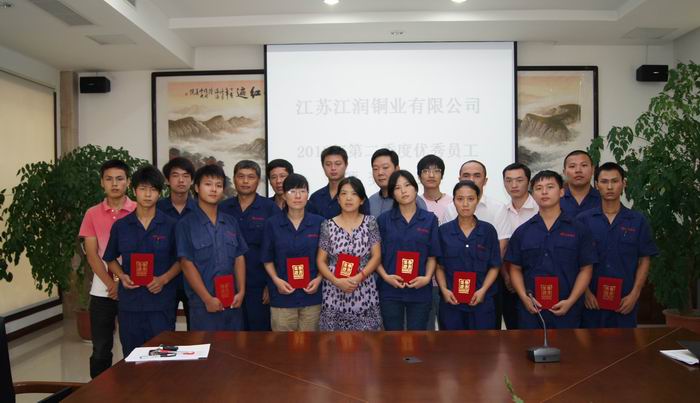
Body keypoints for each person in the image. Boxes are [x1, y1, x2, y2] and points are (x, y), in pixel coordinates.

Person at [103, 166, 180, 357]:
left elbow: (181, 260)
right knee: (132, 356)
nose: (147, 194)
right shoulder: (121, 226)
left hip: (161, 302)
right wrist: (122, 276)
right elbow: (110, 258)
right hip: (131, 304)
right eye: (143, 189)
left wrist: (163, 279)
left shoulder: (171, 225)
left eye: (153, 189)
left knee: (162, 356)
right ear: (134, 190)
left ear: (160, 193)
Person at [505, 170, 597, 329]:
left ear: (561, 192)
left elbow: (586, 269)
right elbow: (515, 268)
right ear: (533, 194)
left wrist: (571, 301)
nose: (544, 192)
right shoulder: (523, 231)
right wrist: (524, 297)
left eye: (550, 187)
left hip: (568, 310)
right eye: (538, 188)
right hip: (531, 311)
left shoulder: (579, 229)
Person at [578, 162, 658, 328]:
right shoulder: (583, 220)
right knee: (589, 343)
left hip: (624, 301)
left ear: (623, 184)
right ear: (596, 185)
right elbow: (574, 259)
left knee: (624, 343)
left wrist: (635, 294)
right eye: (604, 181)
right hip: (591, 302)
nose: (609, 187)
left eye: (614, 181)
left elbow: (644, 259)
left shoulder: (637, 220)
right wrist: (584, 292)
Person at [78, 159, 136, 378]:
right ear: (102, 182)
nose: (114, 184)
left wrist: (120, 283)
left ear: (128, 182)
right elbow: (92, 254)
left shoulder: (138, 210)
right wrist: (112, 284)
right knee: (101, 349)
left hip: (133, 286)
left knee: (135, 344)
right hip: (103, 289)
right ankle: (98, 391)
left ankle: (136, 388)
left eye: (120, 179)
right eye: (109, 179)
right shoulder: (92, 213)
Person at [176, 164, 247, 330]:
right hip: (202, 305)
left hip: (232, 302)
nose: (214, 189)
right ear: (196, 188)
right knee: (206, 346)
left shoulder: (230, 222)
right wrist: (207, 298)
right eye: (208, 184)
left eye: (219, 185)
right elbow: (186, 264)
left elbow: (239, 257)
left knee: (235, 345)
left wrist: (241, 291)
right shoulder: (186, 224)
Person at [442, 160, 511, 328]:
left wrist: (483, 290)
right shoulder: (443, 231)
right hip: (452, 301)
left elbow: (494, 265)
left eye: (470, 199)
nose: (465, 204)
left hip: (482, 300)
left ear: (477, 200)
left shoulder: (488, 231)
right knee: (450, 342)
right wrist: (444, 289)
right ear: (454, 201)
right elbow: (438, 265)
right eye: (460, 199)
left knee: (483, 343)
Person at [376, 170, 441, 330]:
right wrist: (386, 277)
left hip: (419, 289)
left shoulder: (429, 219)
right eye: (397, 188)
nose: (403, 191)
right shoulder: (383, 220)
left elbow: (432, 256)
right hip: (390, 289)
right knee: (392, 337)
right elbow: (376, 256)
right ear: (392, 194)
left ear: (415, 188)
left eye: (407, 185)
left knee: (418, 336)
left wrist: (427, 278)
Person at [316, 176, 382, 331]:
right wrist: (336, 281)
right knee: (334, 341)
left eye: (354, 194)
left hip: (364, 286)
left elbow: (376, 256)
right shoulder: (327, 225)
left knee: (366, 341)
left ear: (362, 200)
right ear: (338, 199)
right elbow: (320, 260)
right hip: (334, 289)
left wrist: (359, 277)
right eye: (344, 194)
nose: (349, 198)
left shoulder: (370, 222)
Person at [219, 160, 278, 331]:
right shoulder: (223, 208)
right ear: (234, 179)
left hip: (259, 284)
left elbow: (277, 249)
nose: (245, 181)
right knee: (230, 333)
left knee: (259, 335)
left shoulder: (269, 208)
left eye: (251, 177)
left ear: (258, 180)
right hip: (227, 283)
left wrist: (270, 285)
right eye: (241, 176)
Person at [261, 173, 324, 331]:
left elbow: (326, 257)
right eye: (292, 191)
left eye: (302, 191)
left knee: (311, 342)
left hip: (312, 296)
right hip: (282, 296)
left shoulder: (319, 223)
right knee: (283, 344)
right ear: (283, 195)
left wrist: (319, 279)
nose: (297, 196)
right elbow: (267, 259)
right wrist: (276, 280)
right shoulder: (272, 224)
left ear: (307, 195)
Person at [157, 156, 197, 330]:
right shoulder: (157, 209)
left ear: (192, 180)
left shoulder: (200, 210)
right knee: (163, 331)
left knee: (197, 332)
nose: (181, 180)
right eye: (175, 175)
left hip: (195, 280)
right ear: (167, 180)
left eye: (186, 176)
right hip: (164, 280)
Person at [499, 162, 539, 330]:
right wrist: (506, 275)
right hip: (508, 280)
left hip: (536, 278)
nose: (513, 185)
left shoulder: (540, 209)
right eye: (508, 180)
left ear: (528, 182)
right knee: (513, 329)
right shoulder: (501, 211)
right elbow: (501, 248)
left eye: (519, 180)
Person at [417, 154, 451, 330]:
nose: (431, 175)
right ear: (419, 176)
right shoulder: (414, 203)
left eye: (436, 171)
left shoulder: (454, 202)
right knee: (426, 331)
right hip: (423, 280)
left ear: (442, 175)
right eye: (426, 171)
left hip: (448, 279)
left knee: (449, 331)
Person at [308, 145, 369, 218]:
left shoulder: (358, 194)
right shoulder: (315, 197)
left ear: (346, 165)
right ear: (323, 166)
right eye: (328, 164)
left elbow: (365, 221)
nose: (333, 168)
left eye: (338, 164)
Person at [368, 148, 427, 217]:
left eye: (385, 167)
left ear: (397, 169)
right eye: (375, 169)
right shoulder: (371, 201)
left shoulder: (412, 200)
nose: (380, 172)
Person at [561, 150, 601, 217]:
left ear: (593, 170)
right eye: (572, 166)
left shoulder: (604, 199)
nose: (578, 170)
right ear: (564, 172)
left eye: (584, 165)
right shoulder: (556, 200)